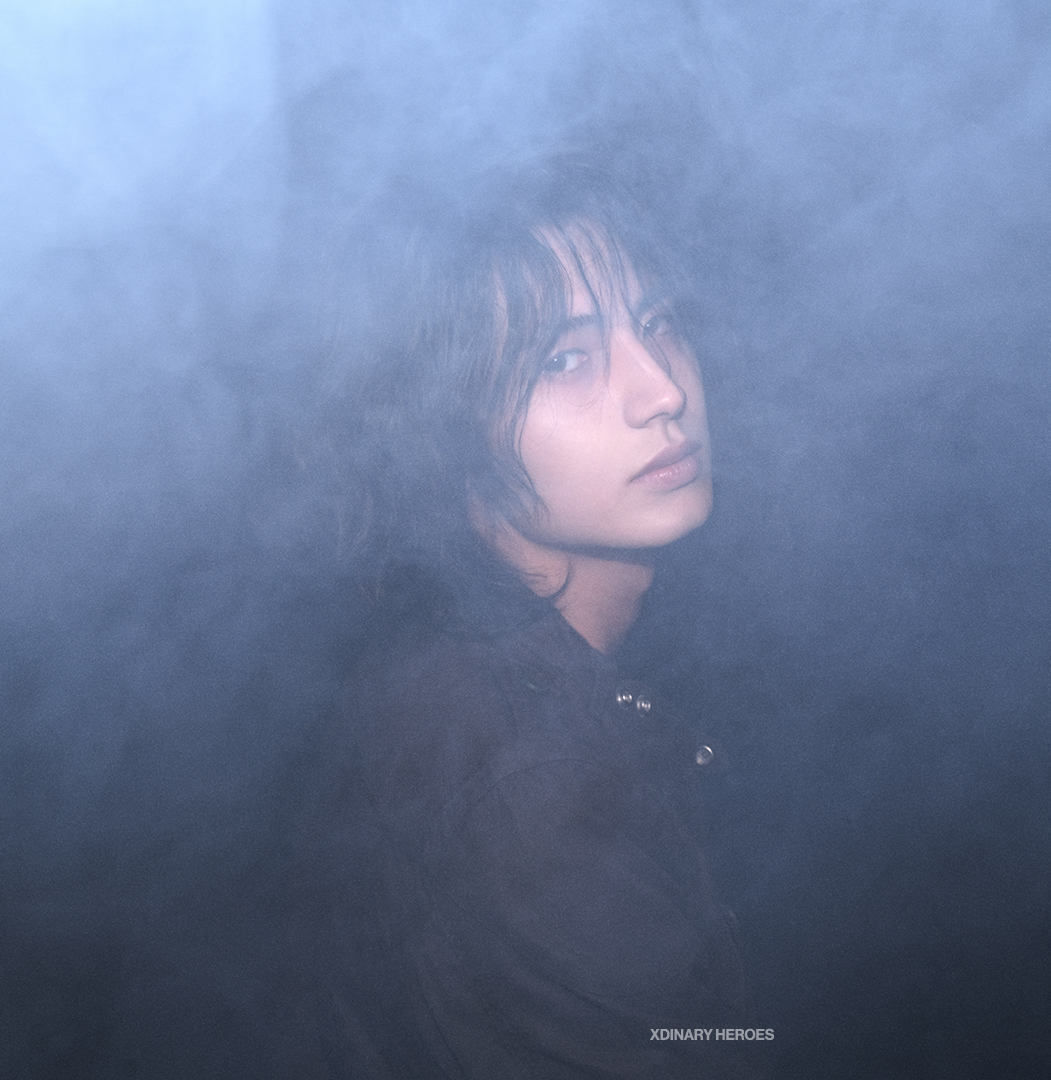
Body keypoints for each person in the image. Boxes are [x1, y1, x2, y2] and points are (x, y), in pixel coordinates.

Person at [315, 155, 757, 1079]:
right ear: (444, 432)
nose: (664, 391)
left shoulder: (488, 667)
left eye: (659, 324)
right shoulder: (529, 785)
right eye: (565, 360)